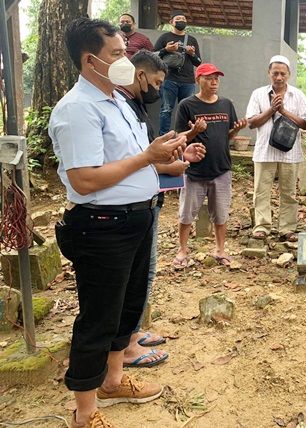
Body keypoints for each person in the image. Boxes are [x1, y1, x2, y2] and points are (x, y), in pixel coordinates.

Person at [49, 18, 185, 427]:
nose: (126, 59)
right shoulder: (77, 109)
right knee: (98, 317)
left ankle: (113, 380)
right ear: (90, 60)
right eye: (117, 54)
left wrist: (163, 157)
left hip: (135, 219)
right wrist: (147, 158)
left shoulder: (118, 101)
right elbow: (85, 180)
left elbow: (129, 163)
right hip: (102, 226)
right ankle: (86, 413)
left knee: (126, 308)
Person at [115, 50, 205, 367]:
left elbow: (148, 159)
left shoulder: (138, 107)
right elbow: (133, 162)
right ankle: (124, 346)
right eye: (156, 81)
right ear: (140, 75)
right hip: (126, 210)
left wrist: (176, 163)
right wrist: (168, 163)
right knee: (131, 277)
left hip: (148, 203)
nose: (158, 88)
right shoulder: (117, 108)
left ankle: (132, 333)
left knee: (144, 273)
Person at [173, 63, 247, 268]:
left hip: (221, 168)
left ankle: (220, 250)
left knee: (221, 213)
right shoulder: (187, 105)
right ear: (198, 80)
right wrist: (194, 132)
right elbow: (179, 136)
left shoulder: (226, 104)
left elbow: (228, 135)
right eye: (209, 78)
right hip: (194, 170)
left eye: (217, 78)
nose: (214, 82)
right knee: (186, 213)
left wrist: (237, 130)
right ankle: (182, 250)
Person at [246, 55, 306, 242]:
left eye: (283, 73)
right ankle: (262, 226)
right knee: (261, 190)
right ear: (269, 74)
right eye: (275, 73)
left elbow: (305, 123)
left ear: (289, 74)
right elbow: (251, 122)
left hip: (290, 152)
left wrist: (283, 111)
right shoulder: (258, 94)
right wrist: (271, 109)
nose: (279, 77)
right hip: (265, 151)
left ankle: (287, 228)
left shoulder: (298, 95)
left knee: (289, 192)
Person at [153, 10, 202, 135]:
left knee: (187, 110)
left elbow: (198, 62)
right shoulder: (164, 37)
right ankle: (164, 137)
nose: (181, 21)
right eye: (178, 19)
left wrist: (192, 54)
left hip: (188, 81)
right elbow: (153, 56)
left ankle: (184, 137)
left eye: (184, 19)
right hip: (169, 79)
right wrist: (166, 49)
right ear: (171, 22)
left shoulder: (191, 39)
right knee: (166, 110)